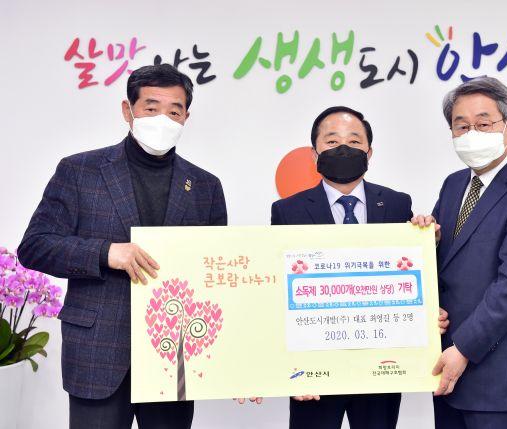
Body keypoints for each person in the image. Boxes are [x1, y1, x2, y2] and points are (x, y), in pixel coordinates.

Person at [18, 64, 227, 429]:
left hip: (174, 356)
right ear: (128, 111)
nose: (163, 119)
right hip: (98, 352)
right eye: (151, 108)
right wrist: (105, 253)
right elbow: (35, 246)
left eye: (174, 111)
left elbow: (216, 274)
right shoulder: (80, 170)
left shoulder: (205, 186)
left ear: (186, 118)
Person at [269, 105, 449, 429]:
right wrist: (287, 369)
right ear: (314, 154)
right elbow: (278, 294)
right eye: (332, 141)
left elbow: (410, 277)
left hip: (380, 366)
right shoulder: (287, 211)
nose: (343, 149)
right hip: (314, 371)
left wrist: (427, 241)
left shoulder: (397, 204)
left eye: (354, 142)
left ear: (369, 152)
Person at [412, 77, 507, 429]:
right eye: (461, 126)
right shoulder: (453, 185)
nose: (471, 134)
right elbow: (450, 265)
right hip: (449, 372)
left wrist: (463, 349)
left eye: (483, 124)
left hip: (502, 378)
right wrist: (426, 242)